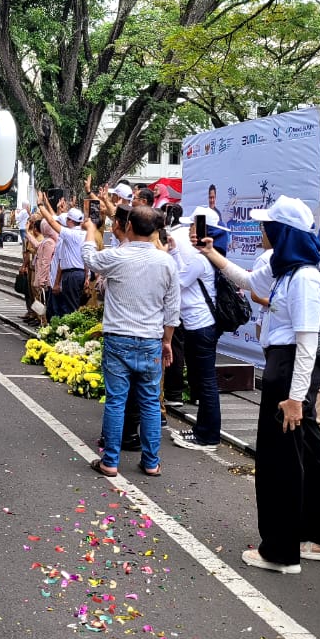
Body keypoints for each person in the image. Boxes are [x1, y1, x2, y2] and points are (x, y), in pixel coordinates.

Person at [198, 195, 320, 574]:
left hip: (290, 372)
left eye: (268, 226)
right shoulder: (285, 271)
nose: (262, 231)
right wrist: (211, 254)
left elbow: (307, 344)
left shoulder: (305, 279)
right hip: (285, 368)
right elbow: (248, 280)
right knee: (307, 456)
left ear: (283, 233)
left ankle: (281, 552)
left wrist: (296, 398)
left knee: (280, 462)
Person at [84, 205, 180, 478]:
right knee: (150, 402)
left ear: (128, 226)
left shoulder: (117, 256)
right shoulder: (166, 262)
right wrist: (167, 341)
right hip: (151, 340)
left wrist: (90, 230)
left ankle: (110, 461)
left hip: (118, 338)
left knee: (116, 401)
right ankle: (151, 462)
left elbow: (89, 258)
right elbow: (173, 308)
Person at [170, 206, 224, 453]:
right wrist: (174, 251)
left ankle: (208, 437)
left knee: (206, 383)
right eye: (192, 226)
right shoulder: (203, 257)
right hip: (198, 325)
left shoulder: (200, 259)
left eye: (196, 227)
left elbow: (177, 282)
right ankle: (202, 430)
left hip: (200, 326)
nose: (191, 231)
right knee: (202, 382)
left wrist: (169, 254)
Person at [37, 193, 87, 318]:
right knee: (66, 307)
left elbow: (51, 221)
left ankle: (68, 328)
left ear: (70, 221)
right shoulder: (84, 234)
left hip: (70, 275)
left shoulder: (70, 235)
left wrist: (40, 204)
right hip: (75, 274)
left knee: (68, 309)